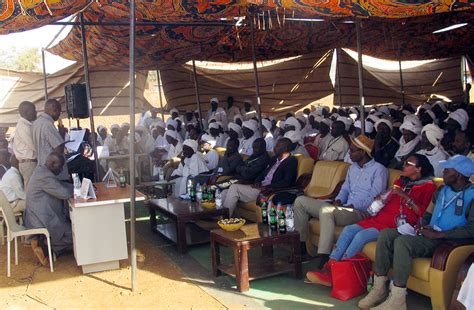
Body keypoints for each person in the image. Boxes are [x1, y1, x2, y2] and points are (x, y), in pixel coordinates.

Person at [358, 155, 474, 310]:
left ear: (458, 174)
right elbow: (427, 214)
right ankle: (379, 289)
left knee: (403, 242)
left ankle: (398, 299)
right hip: (429, 233)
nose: (443, 172)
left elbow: (471, 229)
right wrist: (422, 225)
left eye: (448, 170)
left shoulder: (472, 195)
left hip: (446, 241)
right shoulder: (442, 190)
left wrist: (440, 235)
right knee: (386, 234)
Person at [307, 154, 436, 286]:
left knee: (361, 236)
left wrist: (405, 196)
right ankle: (330, 266)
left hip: (396, 224)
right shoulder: (401, 181)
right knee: (349, 230)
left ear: (418, 169)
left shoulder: (428, 186)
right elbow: (389, 201)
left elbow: (423, 213)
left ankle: (339, 271)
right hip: (379, 217)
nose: (403, 166)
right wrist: (381, 199)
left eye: (408, 164)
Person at [293, 135, 388, 266]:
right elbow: (345, 189)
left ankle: (324, 255)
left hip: (360, 212)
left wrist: (352, 205)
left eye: (353, 150)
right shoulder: (352, 168)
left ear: (363, 152)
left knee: (327, 211)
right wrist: (338, 200)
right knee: (300, 201)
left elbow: (374, 198)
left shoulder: (379, 170)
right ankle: (302, 248)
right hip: (344, 208)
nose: (349, 153)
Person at [222, 138, 297, 215]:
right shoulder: (274, 159)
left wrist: (267, 187)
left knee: (234, 187)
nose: (274, 148)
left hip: (268, 191)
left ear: (285, 148)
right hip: (260, 186)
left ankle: (226, 219)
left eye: (277, 146)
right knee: (225, 192)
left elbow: (286, 181)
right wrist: (257, 182)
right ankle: (220, 216)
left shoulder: (291, 161)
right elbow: (263, 173)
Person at [24, 152, 74, 265]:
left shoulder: (42, 171)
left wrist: (73, 187)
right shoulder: (44, 176)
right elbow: (64, 193)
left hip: (40, 215)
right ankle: (47, 248)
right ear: (52, 163)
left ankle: (49, 246)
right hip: (41, 219)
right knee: (75, 235)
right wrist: (77, 189)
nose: (61, 170)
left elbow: (58, 185)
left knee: (72, 235)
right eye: (60, 167)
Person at [32, 99, 68, 180]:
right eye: (60, 112)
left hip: (42, 165)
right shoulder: (47, 124)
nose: (59, 115)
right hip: (52, 168)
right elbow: (59, 147)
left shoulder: (36, 123)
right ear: (55, 110)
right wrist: (62, 134)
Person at [12, 101, 37, 187]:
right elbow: (34, 145)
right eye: (34, 110)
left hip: (30, 162)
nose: (36, 112)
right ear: (26, 112)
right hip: (29, 163)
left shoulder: (27, 125)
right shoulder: (23, 126)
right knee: (31, 190)